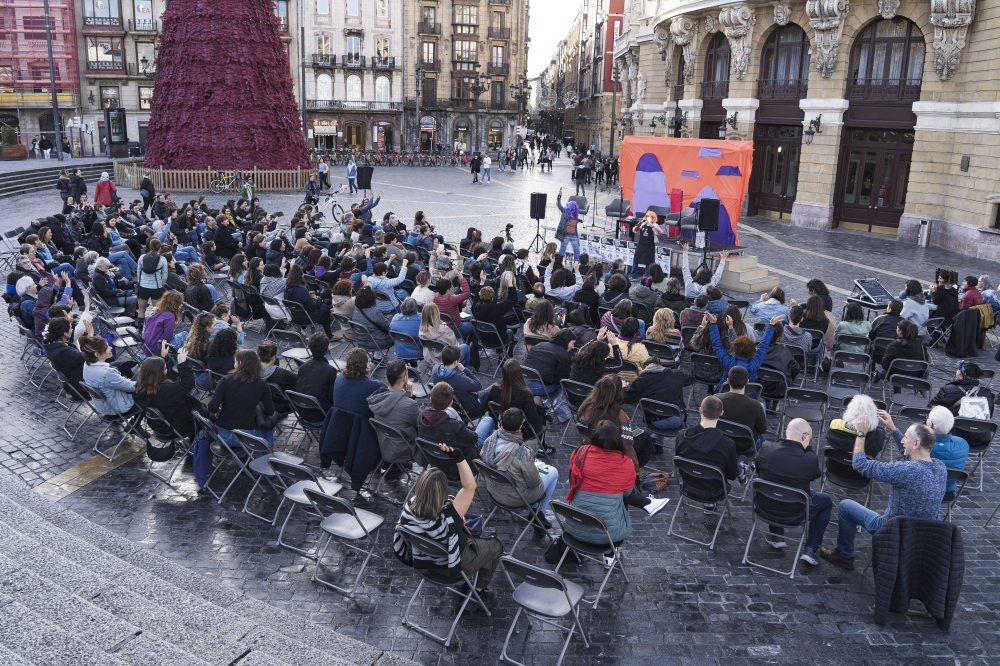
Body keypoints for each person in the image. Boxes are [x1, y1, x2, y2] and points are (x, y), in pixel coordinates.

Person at [819, 414, 946, 570]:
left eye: (905, 437)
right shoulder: (940, 467)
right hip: (927, 533)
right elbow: (915, 461)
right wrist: (893, 428)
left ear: (917, 443)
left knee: (845, 506)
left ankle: (844, 555)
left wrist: (861, 433)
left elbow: (860, 464)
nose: (902, 440)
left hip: (894, 530)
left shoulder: (904, 471)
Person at [393, 445, 504, 601]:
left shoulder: (409, 506)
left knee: (470, 532)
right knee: (496, 545)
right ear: (443, 491)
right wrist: (459, 457)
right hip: (451, 566)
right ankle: (478, 592)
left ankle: (475, 579)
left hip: (424, 562)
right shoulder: (449, 514)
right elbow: (470, 486)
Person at [564, 420, 670, 549]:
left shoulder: (580, 453)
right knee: (620, 495)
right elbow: (627, 493)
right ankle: (610, 554)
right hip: (608, 537)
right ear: (618, 440)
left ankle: (648, 504)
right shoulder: (625, 464)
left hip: (573, 529)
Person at [755, 418, 833, 566]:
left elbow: (758, 469)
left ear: (786, 433)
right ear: (804, 437)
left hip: (763, 507)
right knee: (826, 501)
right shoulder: (810, 459)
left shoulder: (766, 448)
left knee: (774, 485)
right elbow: (815, 475)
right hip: (795, 514)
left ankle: (776, 535)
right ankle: (811, 549)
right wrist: (807, 449)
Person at [481, 408, 559, 527]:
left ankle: (536, 512)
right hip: (515, 497)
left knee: (535, 467)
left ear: (500, 422)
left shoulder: (488, 442)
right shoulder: (523, 453)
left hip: (494, 490)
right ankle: (538, 513)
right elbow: (534, 483)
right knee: (553, 471)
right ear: (521, 426)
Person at [675, 396, 742, 507]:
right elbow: (731, 475)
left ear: (700, 410)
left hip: (688, 485)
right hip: (714, 491)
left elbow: (678, 461)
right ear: (721, 413)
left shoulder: (681, 435)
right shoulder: (727, 444)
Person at [208, 349, 277, 447]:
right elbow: (270, 411)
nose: (234, 364)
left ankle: (244, 456)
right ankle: (268, 459)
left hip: (221, 435)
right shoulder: (262, 384)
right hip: (246, 437)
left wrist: (218, 411)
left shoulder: (225, 380)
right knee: (268, 430)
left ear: (240, 363)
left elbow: (212, 406)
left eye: (235, 361)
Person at [134, 344, 202, 438]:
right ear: (159, 373)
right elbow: (188, 384)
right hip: (178, 428)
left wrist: (162, 357)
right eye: (165, 369)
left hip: (160, 428)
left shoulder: (139, 389)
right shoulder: (167, 389)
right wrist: (182, 364)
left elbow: (155, 369)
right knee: (209, 417)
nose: (166, 371)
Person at [418, 382, 494, 464]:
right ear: (451, 403)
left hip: (434, 460)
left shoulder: (421, 417)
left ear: (430, 400)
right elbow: (474, 439)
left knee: (491, 432)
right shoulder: (455, 426)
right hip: (460, 464)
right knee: (488, 420)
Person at [706, 312, 782, 392]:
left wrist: (713, 324)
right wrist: (771, 326)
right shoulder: (755, 364)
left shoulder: (728, 363)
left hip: (723, 393)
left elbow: (717, 345)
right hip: (748, 396)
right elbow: (763, 345)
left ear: (734, 348)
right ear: (753, 350)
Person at [624, 355, 694, 439]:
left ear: (645, 367)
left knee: (658, 408)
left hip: (656, 420)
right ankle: (657, 440)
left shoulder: (641, 380)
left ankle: (656, 441)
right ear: (660, 365)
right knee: (667, 403)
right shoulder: (675, 374)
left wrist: (624, 388)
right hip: (677, 419)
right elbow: (691, 378)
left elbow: (628, 398)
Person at [367, 358, 420, 459]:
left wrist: (408, 396)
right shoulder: (409, 405)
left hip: (383, 446)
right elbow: (420, 424)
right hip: (403, 450)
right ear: (405, 378)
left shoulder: (377, 398)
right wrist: (410, 398)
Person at [485, 359, 548, 439]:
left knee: (538, 405)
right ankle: (542, 447)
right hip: (521, 432)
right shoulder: (525, 393)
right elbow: (533, 420)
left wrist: (496, 428)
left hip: (504, 427)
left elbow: (488, 406)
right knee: (542, 410)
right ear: (519, 373)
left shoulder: (495, 388)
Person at [79, 335, 139, 420]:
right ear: (97, 354)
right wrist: (149, 382)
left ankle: (135, 425)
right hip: (119, 408)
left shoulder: (87, 365)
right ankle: (135, 425)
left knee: (131, 370)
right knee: (151, 391)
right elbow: (131, 387)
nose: (111, 348)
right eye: (107, 347)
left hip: (104, 406)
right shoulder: (107, 373)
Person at [716, 366, 767, 452]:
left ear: (728, 381)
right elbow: (762, 430)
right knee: (762, 407)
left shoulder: (716, 399)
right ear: (747, 382)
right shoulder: (756, 405)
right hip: (745, 447)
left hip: (719, 441)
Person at [430, 344, 486, 419]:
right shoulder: (460, 378)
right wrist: (465, 370)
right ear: (456, 362)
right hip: (468, 408)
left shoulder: (435, 369)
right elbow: (478, 385)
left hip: (450, 404)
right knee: (493, 390)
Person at [924, 405, 969, 496]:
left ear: (930, 424)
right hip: (948, 490)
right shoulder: (963, 444)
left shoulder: (923, 445)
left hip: (925, 491)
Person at [522, 329, 575, 400]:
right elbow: (560, 379)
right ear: (567, 341)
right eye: (572, 343)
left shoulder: (540, 344)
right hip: (539, 388)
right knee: (561, 383)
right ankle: (555, 404)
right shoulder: (564, 355)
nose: (573, 347)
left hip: (523, 383)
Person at [284, 263, 334, 337]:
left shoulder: (286, 288)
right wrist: (313, 298)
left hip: (295, 317)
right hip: (306, 317)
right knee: (327, 302)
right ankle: (329, 335)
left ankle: (329, 334)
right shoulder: (301, 289)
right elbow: (312, 306)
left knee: (324, 307)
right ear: (301, 275)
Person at [295, 332, 338, 413]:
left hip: (301, 411)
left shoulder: (303, 366)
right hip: (320, 415)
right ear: (327, 348)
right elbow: (332, 398)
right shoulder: (330, 370)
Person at [351, 285, 392, 358]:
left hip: (360, 340)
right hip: (375, 342)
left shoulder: (356, 309)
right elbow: (387, 327)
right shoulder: (374, 312)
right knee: (397, 335)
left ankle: (377, 358)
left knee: (375, 330)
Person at [257, 340, 297, 415]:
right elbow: (297, 379)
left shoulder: (252, 370)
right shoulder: (281, 373)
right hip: (282, 406)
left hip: (262, 403)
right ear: (273, 357)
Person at [143, 290, 183, 356]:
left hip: (147, 347)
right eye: (179, 302)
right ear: (174, 304)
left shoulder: (155, 312)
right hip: (157, 349)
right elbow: (168, 337)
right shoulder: (169, 316)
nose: (181, 305)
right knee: (185, 335)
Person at [630, 211, 665, 277]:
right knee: (636, 260)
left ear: (653, 218)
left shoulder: (655, 225)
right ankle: (633, 275)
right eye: (648, 216)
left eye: (651, 217)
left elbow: (660, 232)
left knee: (649, 263)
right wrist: (638, 225)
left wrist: (653, 227)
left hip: (649, 246)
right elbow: (634, 230)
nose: (649, 218)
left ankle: (647, 278)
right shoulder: (643, 224)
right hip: (641, 244)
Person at [554, 189, 581, 260]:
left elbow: (575, 221)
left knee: (577, 250)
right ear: (569, 209)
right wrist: (559, 196)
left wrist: (580, 220)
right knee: (562, 249)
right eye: (572, 209)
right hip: (566, 234)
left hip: (573, 234)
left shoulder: (575, 215)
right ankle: (558, 263)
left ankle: (576, 264)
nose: (574, 211)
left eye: (575, 209)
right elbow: (558, 204)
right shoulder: (564, 212)